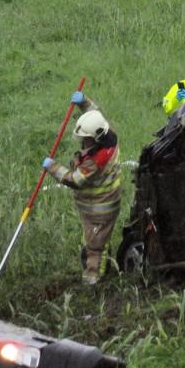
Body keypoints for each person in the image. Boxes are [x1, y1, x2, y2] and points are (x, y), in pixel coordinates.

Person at [42, 91, 123, 284]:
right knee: (95, 239)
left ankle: (93, 279)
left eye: (85, 139)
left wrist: (52, 167)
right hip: (100, 205)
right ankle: (100, 259)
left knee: (95, 246)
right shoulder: (109, 134)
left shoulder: (95, 161)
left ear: (95, 139)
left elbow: (74, 180)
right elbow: (96, 115)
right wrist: (84, 102)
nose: (83, 142)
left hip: (99, 209)